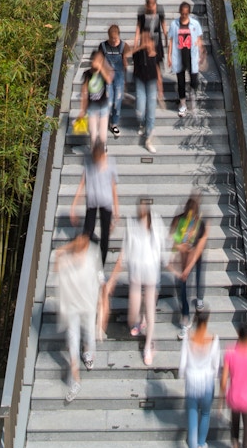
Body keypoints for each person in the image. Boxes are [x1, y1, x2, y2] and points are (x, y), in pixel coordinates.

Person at [106, 202, 166, 365]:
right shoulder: (132, 226)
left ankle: (148, 346)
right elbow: (125, 250)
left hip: (152, 273)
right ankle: (140, 321)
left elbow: (162, 247)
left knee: (150, 309)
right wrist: (114, 276)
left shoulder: (157, 224)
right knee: (135, 307)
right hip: (137, 273)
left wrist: (165, 261)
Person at [56, 232, 101, 403]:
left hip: (88, 303)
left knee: (89, 334)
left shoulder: (93, 256)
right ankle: (75, 380)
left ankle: (89, 353)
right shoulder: (68, 258)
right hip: (73, 305)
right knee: (73, 339)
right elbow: (58, 262)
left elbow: (100, 278)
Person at [179, 307, 221, 448]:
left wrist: (184, 376)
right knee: (205, 414)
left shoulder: (188, 338)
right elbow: (216, 365)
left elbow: (182, 364)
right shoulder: (213, 339)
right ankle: (201, 445)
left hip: (192, 382)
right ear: (207, 320)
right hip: (207, 382)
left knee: (192, 417)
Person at [70, 140, 119, 267]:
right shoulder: (89, 163)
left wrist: (116, 209)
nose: (96, 160)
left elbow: (113, 187)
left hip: (105, 201)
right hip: (92, 201)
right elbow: (82, 183)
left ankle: (101, 264)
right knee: (88, 231)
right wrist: (74, 206)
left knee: (105, 234)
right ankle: (86, 259)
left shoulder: (110, 163)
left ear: (103, 155)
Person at [170, 193, 208, 339]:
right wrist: (179, 249)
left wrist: (186, 268)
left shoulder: (199, 225)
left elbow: (197, 250)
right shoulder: (180, 221)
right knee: (184, 288)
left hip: (193, 257)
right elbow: (174, 241)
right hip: (183, 258)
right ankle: (186, 319)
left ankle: (198, 299)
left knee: (196, 275)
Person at [126, 29, 164, 153]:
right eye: (145, 40)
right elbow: (127, 53)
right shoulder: (138, 53)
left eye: (149, 40)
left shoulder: (155, 53)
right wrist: (141, 46)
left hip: (152, 82)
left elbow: (158, 70)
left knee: (151, 112)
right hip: (140, 82)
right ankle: (142, 123)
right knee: (140, 110)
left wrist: (160, 89)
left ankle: (148, 140)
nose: (148, 42)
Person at [167, 1, 206, 118]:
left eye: (186, 13)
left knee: (194, 81)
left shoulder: (194, 24)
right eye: (182, 13)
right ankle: (183, 105)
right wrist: (169, 56)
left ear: (188, 13)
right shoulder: (174, 24)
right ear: (180, 13)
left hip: (191, 55)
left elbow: (199, 39)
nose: (184, 15)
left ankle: (192, 98)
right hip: (179, 55)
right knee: (181, 81)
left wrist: (201, 52)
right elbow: (171, 40)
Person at [78, 48, 114, 145]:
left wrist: (101, 68)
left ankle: (103, 149)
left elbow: (109, 80)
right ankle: (94, 151)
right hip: (92, 108)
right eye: (95, 60)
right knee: (93, 134)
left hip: (103, 107)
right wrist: (82, 109)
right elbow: (84, 92)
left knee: (103, 134)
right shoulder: (87, 74)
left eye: (99, 60)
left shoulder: (103, 73)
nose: (97, 62)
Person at [99, 25, 127, 138]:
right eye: (111, 38)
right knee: (109, 101)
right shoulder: (103, 46)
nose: (114, 41)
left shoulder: (123, 46)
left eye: (115, 39)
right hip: (107, 76)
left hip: (119, 76)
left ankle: (114, 123)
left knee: (117, 101)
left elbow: (125, 61)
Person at [135, 0, 166, 66]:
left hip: (156, 38)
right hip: (145, 38)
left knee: (157, 60)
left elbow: (163, 23)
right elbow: (138, 26)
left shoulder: (159, 9)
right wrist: (136, 40)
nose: (151, 6)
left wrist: (166, 35)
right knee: (146, 59)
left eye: (153, 4)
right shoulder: (142, 10)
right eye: (149, 4)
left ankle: (157, 75)